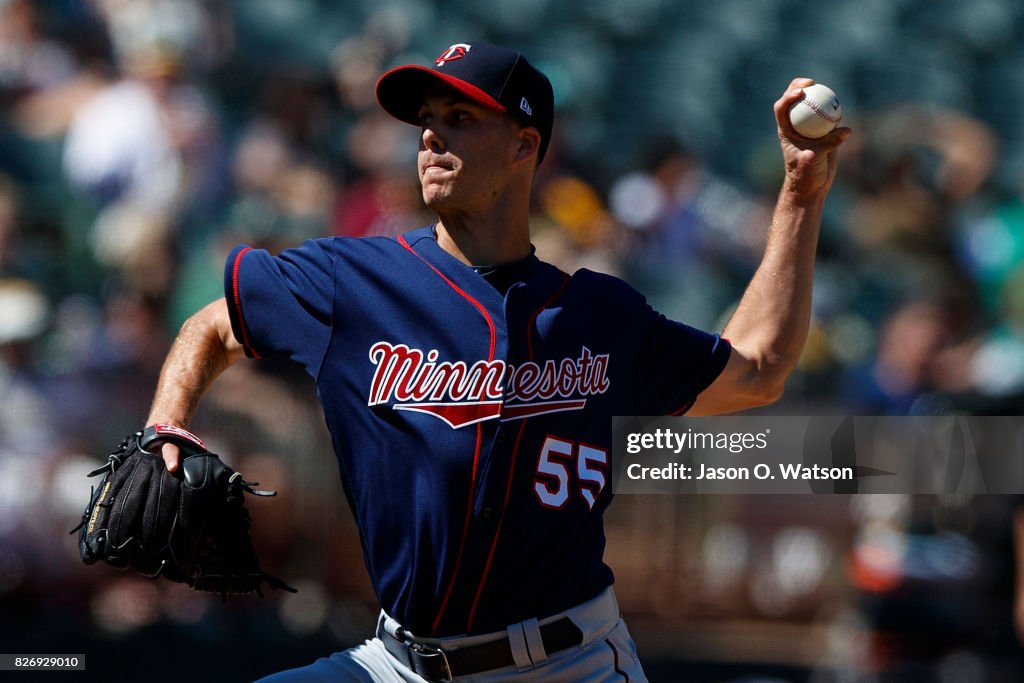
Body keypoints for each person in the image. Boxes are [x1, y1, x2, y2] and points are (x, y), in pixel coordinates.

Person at [144, 42, 850, 682]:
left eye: (459, 116)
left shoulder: (598, 316)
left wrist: (800, 195)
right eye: (426, 118)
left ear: (523, 145)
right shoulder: (349, 281)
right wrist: (166, 424)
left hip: (566, 663)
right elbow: (213, 324)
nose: (429, 134)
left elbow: (759, 367)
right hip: (399, 661)